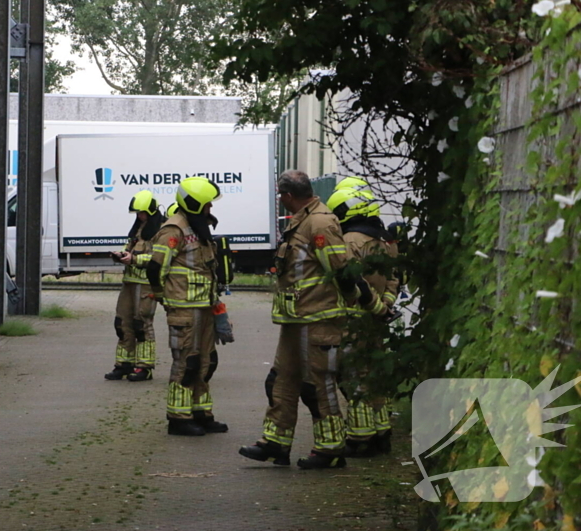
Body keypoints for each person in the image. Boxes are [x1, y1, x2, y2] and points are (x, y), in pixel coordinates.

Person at [239, 170, 384, 469]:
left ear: (288, 195)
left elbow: (342, 270)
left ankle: (330, 449)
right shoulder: (303, 220)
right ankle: (275, 443)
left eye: (280, 195)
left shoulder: (320, 222)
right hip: (296, 319)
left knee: (318, 384)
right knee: (282, 379)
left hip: (319, 318)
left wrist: (364, 303)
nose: (280, 200)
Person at [147, 177, 234, 436]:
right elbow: (155, 268)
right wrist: (164, 297)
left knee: (206, 362)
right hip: (184, 308)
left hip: (205, 307)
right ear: (194, 204)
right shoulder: (174, 230)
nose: (211, 209)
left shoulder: (199, 226)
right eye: (207, 204)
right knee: (186, 363)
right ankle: (178, 418)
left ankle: (201, 414)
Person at [327, 184, 400, 456]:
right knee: (374, 376)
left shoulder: (350, 242)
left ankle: (360, 439)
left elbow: (350, 281)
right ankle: (382, 432)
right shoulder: (385, 242)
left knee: (351, 378)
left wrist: (374, 307)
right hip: (378, 321)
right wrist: (387, 306)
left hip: (354, 319)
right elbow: (395, 279)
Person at [104, 190, 163, 382]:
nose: (139, 216)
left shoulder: (160, 230)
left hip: (146, 285)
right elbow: (129, 248)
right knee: (122, 323)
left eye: (142, 212)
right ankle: (124, 364)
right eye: (137, 213)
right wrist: (121, 254)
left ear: (151, 210)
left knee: (141, 325)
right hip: (129, 283)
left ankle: (144, 367)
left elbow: (158, 257)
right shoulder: (139, 228)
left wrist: (135, 259)